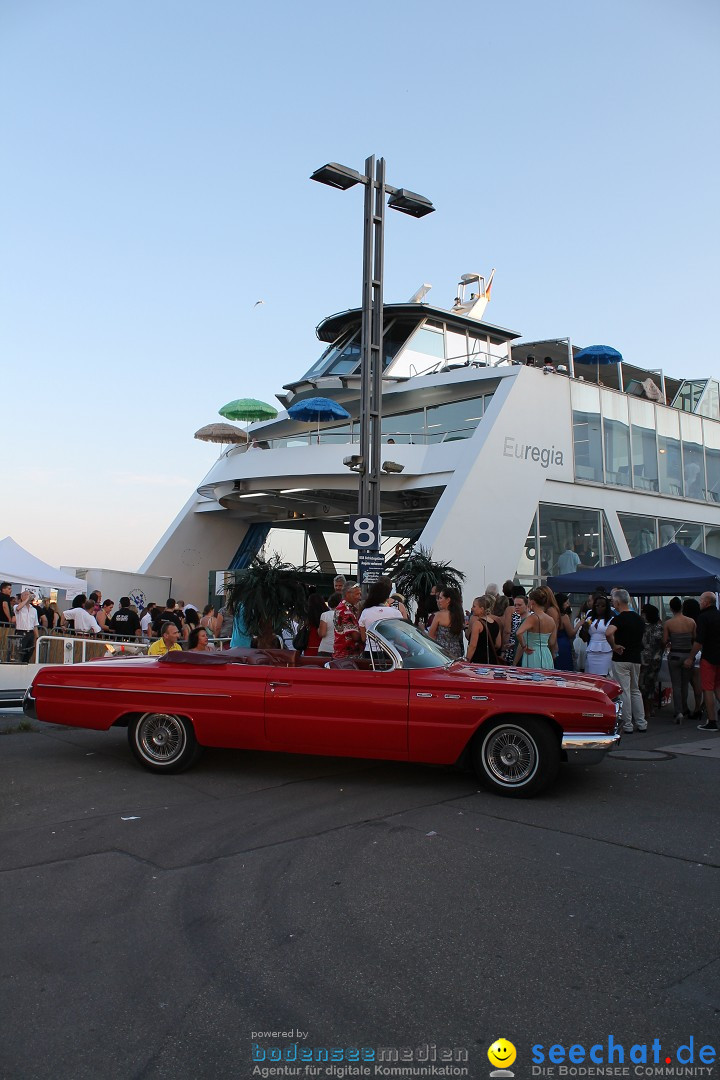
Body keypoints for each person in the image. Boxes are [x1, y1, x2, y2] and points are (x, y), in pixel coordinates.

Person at [606, 588, 647, 733]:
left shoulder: (619, 618)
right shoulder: (639, 619)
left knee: (624, 691)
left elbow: (608, 632)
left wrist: (614, 645)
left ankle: (628, 724)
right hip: (636, 657)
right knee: (635, 690)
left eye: (613, 601)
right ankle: (641, 722)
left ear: (617, 602)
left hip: (621, 658)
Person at [685, 591, 720, 731]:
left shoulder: (703, 617)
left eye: (701, 601)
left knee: (708, 689)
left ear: (706, 602)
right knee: (718, 687)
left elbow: (699, 641)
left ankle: (712, 721)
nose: (700, 603)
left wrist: (691, 657)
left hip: (709, 657)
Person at [663, 596, 696, 722]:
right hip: (687, 654)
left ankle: (679, 712)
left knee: (676, 685)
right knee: (685, 684)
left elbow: (664, 640)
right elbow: (695, 638)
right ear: (681, 607)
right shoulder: (691, 622)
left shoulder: (669, 623)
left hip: (675, 655)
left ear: (671, 608)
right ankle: (685, 707)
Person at [358, 577, 403, 653]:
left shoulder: (365, 612)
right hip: (390, 653)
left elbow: (363, 638)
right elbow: (399, 638)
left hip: (370, 653)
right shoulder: (395, 613)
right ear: (387, 596)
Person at [516, 588, 557, 668]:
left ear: (532, 602)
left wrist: (524, 647)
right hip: (546, 654)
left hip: (532, 653)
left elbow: (519, 633)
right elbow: (552, 642)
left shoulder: (533, 618)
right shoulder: (551, 619)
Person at [640, 604, 664, 719]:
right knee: (651, 684)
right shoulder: (659, 627)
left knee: (643, 685)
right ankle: (650, 709)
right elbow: (663, 642)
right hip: (656, 659)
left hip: (644, 659)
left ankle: (646, 710)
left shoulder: (642, 627)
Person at [580, 595, 614, 676]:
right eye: (597, 605)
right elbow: (584, 639)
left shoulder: (611, 620)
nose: (599, 608)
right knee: (591, 676)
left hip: (606, 652)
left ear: (607, 607)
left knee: (603, 676)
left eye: (602, 606)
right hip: (592, 651)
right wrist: (585, 629)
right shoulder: (589, 619)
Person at [428, 586, 465, 660]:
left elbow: (430, 636)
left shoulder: (439, 615)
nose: (438, 601)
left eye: (441, 598)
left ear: (448, 600)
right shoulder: (459, 615)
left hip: (442, 652)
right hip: (456, 652)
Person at [466, 595, 501, 663]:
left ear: (481, 609)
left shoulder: (477, 624)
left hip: (478, 660)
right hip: (492, 660)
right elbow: (498, 644)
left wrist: (466, 661)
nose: (472, 608)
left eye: (474, 606)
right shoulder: (495, 623)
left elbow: (472, 646)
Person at [333, 582, 363, 660]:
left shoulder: (345, 608)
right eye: (357, 594)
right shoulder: (345, 611)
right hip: (346, 657)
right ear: (348, 594)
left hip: (343, 655)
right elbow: (355, 636)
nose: (359, 597)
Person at [501, 589, 527, 665]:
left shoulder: (529, 618)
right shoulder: (529, 615)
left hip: (522, 651)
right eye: (515, 605)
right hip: (515, 647)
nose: (516, 607)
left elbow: (507, 631)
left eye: (519, 605)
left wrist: (503, 650)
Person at [13, 591, 39, 662]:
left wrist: (37, 637)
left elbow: (35, 624)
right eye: (26, 595)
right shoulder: (17, 606)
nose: (28, 596)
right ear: (22, 597)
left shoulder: (34, 610)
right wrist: (27, 599)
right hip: (21, 632)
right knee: (19, 654)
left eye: (29, 595)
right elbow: (18, 608)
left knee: (29, 652)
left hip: (30, 633)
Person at [554, 593, 576, 671]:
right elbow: (571, 634)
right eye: (566, 602)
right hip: (563, 645)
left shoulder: (552, 615)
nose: (568, 604)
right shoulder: (564, 617)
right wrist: (579, 625)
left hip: (554, 643)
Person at [318, 592, 341, 656]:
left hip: (326, 649)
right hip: (340, 649)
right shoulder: (347, 615)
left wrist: (318, 630)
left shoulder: (325, 615)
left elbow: (322, 633)